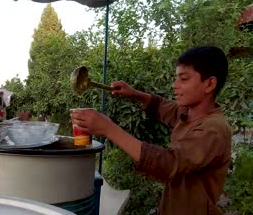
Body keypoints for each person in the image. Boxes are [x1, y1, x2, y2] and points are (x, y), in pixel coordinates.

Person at [71, 46, 231, 215]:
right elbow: (162, 106)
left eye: (183, 79)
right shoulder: (188, 113)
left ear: (210, 84)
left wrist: (108, 128)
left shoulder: (214, 129)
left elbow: (169, 164)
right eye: (176, 78)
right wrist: (134, 94)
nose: (174, 85)